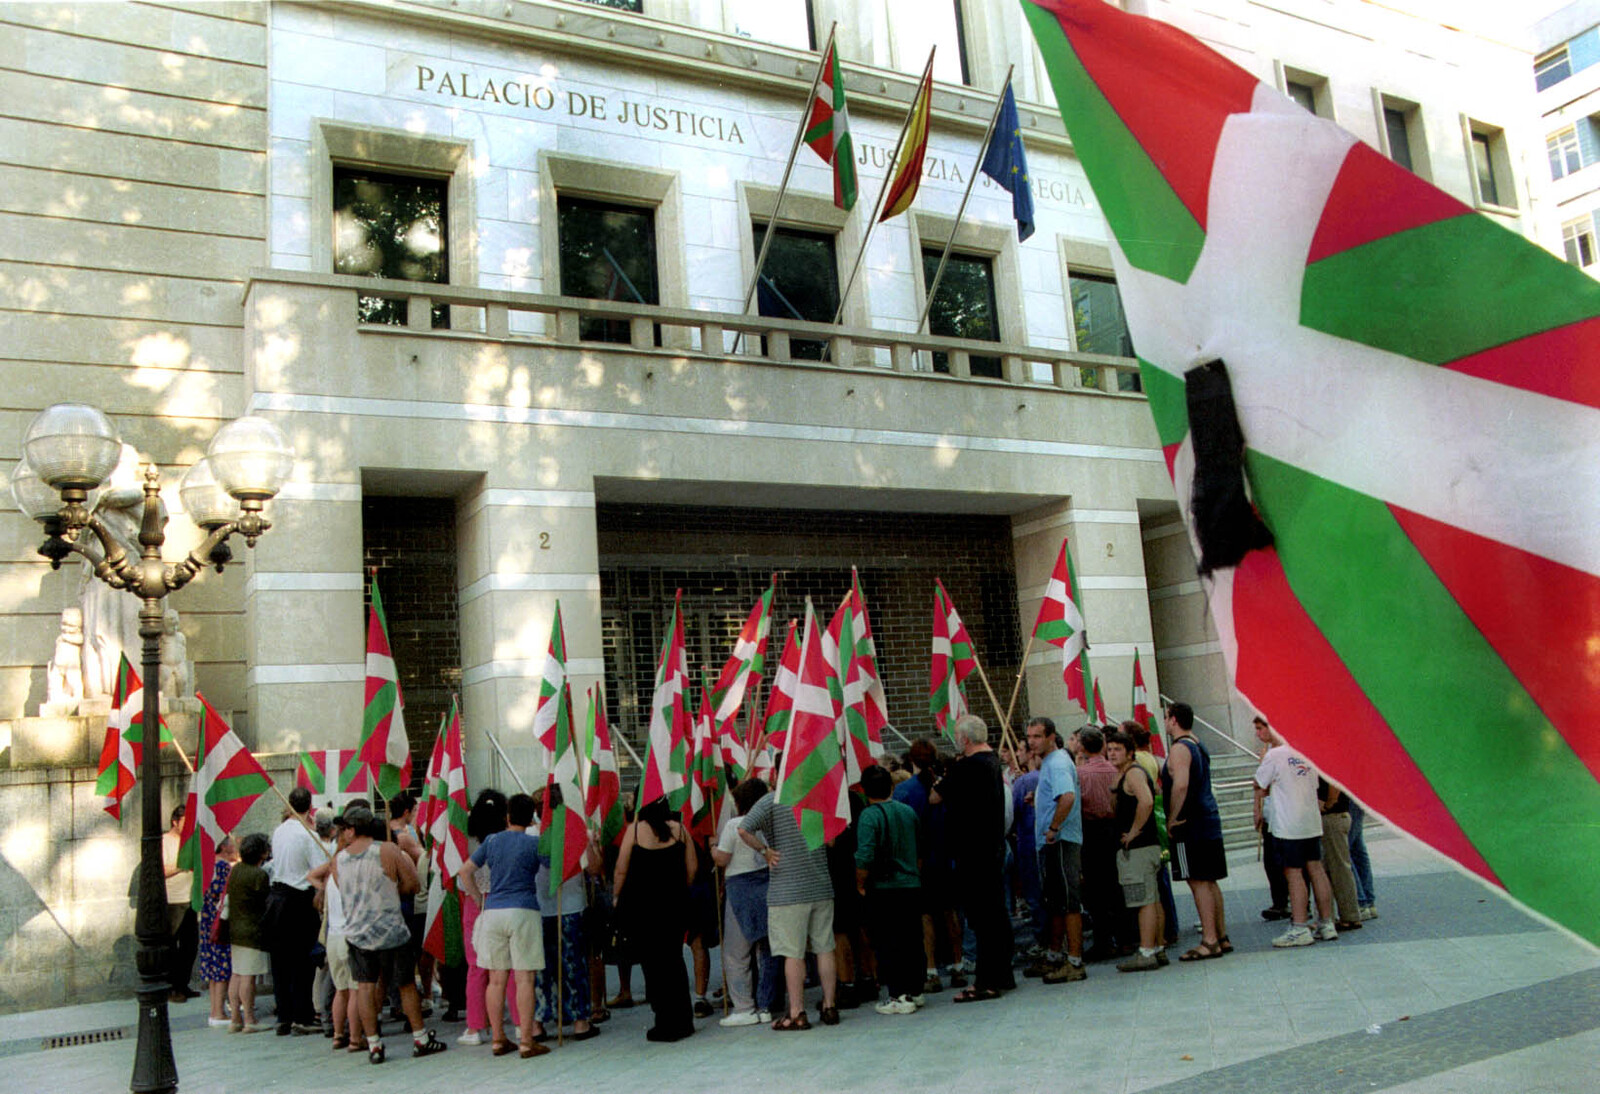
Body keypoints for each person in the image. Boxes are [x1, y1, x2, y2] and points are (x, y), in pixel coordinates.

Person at [332, 805, 448, 1062]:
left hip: (357, 933)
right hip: (391, 930)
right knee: (406, 984)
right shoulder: (387, 850)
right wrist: (391, 890)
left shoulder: (338, 859)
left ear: (353, 829)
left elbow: (343, 889)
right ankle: (420, 1038)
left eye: (345, 828)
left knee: (365, 986)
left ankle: (374, 1044)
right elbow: (413, 884)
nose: (342, 832)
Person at [739, 781, 838, 1030]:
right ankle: (829, 1006)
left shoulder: (771, 800)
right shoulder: (815, 796)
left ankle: (796, 1012)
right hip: (820, 884)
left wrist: (765, 851)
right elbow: (831, 841)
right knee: (825, 947)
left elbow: (743, 829)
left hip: (787, 890)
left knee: (792, 953)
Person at [930, 714, 1014, 1002]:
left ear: (964, 738)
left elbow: (935, 797)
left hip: (972, 852)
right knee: (997, 914)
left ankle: (986, 982)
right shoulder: (992, 761)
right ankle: (1003, 974)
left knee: (981, 918)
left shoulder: (966, 767)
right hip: (992, 847)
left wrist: (944, 776)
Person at [455, 792, 545, 1058]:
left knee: (495, 979)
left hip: (493, 909)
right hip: (524, 909)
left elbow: (464, 871)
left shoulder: (492, 841)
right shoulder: (534, 843)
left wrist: (475, 897)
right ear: (530, 819)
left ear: (507, 816)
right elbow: (555, 867)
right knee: (524, 978)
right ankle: (527, 1040)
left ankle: (497, 1038)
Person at [616, 796, 697, 1041]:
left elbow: (621, 868)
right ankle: (683, 1018)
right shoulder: (680, 830)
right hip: (674, 905)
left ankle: (664, 1019)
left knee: (652, 965)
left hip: (642, 909)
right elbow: (692, 867)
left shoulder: (635, 831)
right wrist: (679, 890)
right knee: (674, 960)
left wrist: (616, 896)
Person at [1251, 719, 1338, 948]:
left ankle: (1299, 927)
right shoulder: (1306, 750)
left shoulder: (1275, 755)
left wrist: (1263, 765)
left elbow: (1259, 783)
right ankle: (1326, 922)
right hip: (1310, 820)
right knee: (1316, 869)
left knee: (1294, 873)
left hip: (1289, 824)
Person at [1160, 702, 1231, 960]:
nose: (1165, 722)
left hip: (1191, 823)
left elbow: (1180, 785)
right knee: (1210, 880)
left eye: (1166, 717)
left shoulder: (1180, 748)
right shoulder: (1198, 743)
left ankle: (1209, 940)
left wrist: (1173, 818)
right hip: (1207, 818)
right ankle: (1220, 936)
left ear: (1174, 719)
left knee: (1198, 880)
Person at [854, 765, 924, 1015]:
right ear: (892, 786)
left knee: (887, 942)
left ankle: (897, 995)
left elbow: (864, 856)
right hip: (911, 883)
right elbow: (919, 849)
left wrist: (860, 883)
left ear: (863, 790)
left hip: (884, 887)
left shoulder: (868, 816)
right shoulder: (908, 812)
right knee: (912, 939)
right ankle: (916, 990)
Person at [533, 789, 601, 1042]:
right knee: (573, 966)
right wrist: (588, 843)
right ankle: (580, 1021)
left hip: (541, 910)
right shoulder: (575, 833)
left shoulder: (533, 834)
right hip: (570, 908)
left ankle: (538, 1022)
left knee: (542, 968)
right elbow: (594, 869)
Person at [714, 778, 781, 1027]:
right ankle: (767, 1003)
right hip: (768, 884)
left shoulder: (734, 824)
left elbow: (722, 859)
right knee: (769, 949)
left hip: (739, 888)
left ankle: (743, 1006)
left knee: (736, 952)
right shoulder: (771, 822)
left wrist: (713, 846)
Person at [1025, 716, 1085, 985]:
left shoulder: (1058, 762)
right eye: (1030, 736)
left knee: (1068, 901)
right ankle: (1054, 955)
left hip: (1060, 841)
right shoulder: (1051, 762)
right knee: (1056, 902)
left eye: (1037, 736)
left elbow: (1068, 796)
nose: (1032, 742)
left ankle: (1074, 960)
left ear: (1051, 736)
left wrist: (1054, 827)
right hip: (1052, 842)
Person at [456, 789, 518, 1046]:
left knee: (477, 967)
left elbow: (462, 874)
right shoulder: (509, 839)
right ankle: (518, 1022)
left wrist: (477, 898)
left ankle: (475, 1027)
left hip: (476, 906)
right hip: (506, 902)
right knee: (513, 966)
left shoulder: (467, 844)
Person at [266, 786, 324, 1034]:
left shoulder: (278, 831)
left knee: (280, 961)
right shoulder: (308, 835)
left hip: (278, 897)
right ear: (309, 807)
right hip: (300, 898)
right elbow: (318, 868)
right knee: (302, 960)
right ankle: (302, 1014)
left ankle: (284, 1015)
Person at [1106, 731, 1165, 972]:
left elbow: (1148, 801)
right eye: (1109, 749)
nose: (1112, 753)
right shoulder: (1125, 774)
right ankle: (1157, 948)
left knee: (1144, 901)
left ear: (1130, 752)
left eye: (1117, 749)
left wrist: (1133, 832)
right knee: (1152, 898)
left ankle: (1147, 951)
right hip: (1143, 846)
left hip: (1139, 847)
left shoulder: (1133, 773)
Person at [1075, 725, 1128, 961]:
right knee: (1116, 886)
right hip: (1112, 829)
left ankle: (1103, 940)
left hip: (1092, 831)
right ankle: (1122, 937)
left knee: (1095, 890)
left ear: (1084, 747)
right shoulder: (1114, 769)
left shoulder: (1081, 773)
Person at [225, 832, 273, 1033]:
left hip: (235, 928)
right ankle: (250, 1019)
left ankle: (235, 1018)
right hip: (252, 931)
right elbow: (265, 901)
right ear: (262, 854)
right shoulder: (258, 875)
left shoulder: (236, 871)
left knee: (236, 974)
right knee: (248, 977)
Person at [198, 834, 238, 1027]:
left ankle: (214, 1010)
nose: (234, 843)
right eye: (230, 841)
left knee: (214, 968)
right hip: (219, 921)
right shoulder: (222, 867)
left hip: (207, 921)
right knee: (222, 966)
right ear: (223, 847)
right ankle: (219, 1012)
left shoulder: (206, 865)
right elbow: (224, 894)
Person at [160, 802, 199, 1004]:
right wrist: (182, 865)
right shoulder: (164, 841)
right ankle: (172, 987)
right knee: (171, 947)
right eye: (185, 821)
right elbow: (161, 870)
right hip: (173, 900)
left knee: (190, 946)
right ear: (175, 822)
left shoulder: (191, 841)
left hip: (190, 899)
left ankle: (183, 984)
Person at [1318, 777, 1365, 931]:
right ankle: (1348, 915)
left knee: (1338, 869)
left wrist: (1329, 803)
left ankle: (1349, 916)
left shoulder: (1325, 759)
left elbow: (1333, 781)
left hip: (1332, 816)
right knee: (1338, 868)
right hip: (1337, 816)